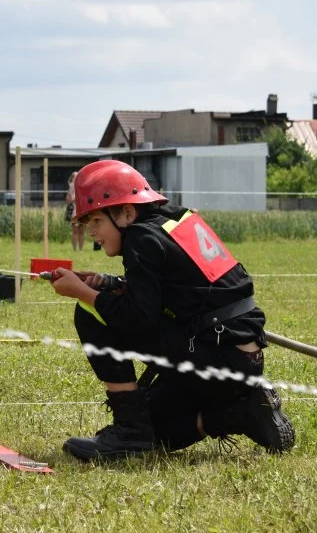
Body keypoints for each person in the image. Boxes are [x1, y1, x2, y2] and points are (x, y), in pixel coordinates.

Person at [47, 159, 294, 462]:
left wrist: (83, 292)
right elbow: (184, 289)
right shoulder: (174, 220)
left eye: (96, 221)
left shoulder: (140, 237)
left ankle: (128, 432)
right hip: (239, 360)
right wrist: (111, 282)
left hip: (216, 356)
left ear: (126, 212)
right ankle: (240, 413)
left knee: (89, 311)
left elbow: (138, 319)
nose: (93, 233)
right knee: (154, 429)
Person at [65, 171, 83, 251]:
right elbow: (70, 199)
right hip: (74, 210)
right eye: (74, 177)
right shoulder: (71, 187)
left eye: (77, 177)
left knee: (81, 231)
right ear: (72, 178)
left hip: (82, 210)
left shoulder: (82, 186)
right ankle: (74, 249)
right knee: (75, 231)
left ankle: (81, 249)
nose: (76, 178)